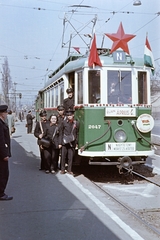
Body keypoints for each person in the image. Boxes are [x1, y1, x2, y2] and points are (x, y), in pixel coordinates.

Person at [60, 109, 79, 175]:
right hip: (64, 142)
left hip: (72, 142)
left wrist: (76, 142)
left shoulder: (76, 123)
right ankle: (62, 169)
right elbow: (61, 132)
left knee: (70, 157)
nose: (69, 116)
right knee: (63, 156)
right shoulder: (64, 122)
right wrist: (61, 142)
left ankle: (69, 169)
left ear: (73, 115)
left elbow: (77, 133)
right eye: (68, 115)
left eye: (70, 115)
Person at [0, 105, 13, 200]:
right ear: (2, 113)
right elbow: (1, 141)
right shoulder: (0, 124)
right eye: (5, 112)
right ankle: (1, 194)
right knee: (4, 173)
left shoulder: (1, 122)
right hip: (1, 155)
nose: (6, 114)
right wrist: (5, 154)